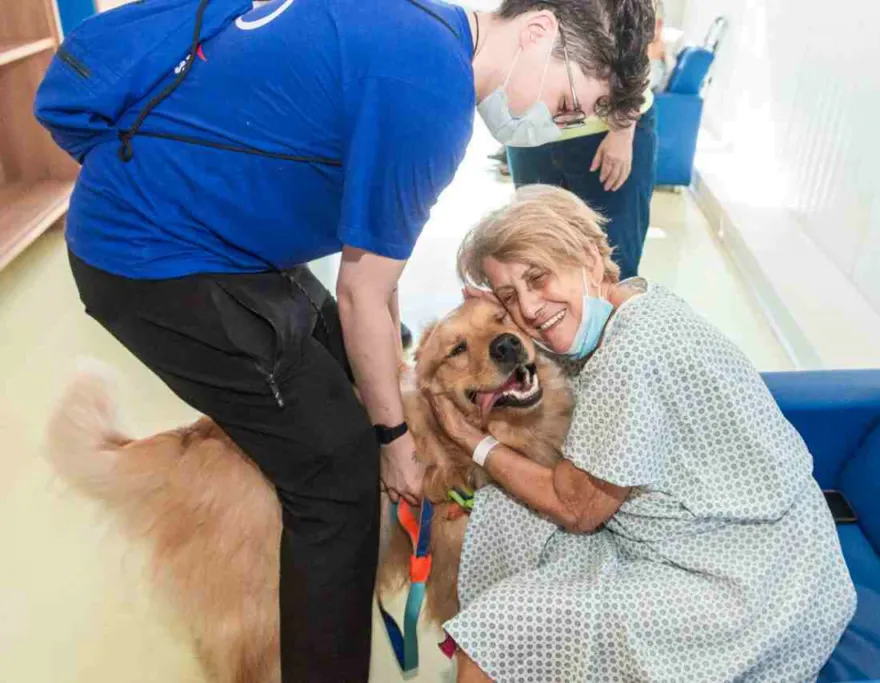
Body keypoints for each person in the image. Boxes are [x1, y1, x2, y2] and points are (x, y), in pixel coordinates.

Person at [51, 0, 655, 680]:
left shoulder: (425, 29)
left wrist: (392, 390)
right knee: (339, 472)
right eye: (568, 104)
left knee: (355, 388)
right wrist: (394, 443)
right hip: (153, 254)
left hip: (204, 233)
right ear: (537, 32)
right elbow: (361, 294)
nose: (555, 124)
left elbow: (375, 270)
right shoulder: (430, 96)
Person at [429, 184, 857, 682]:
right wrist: (500, 314)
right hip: (739, 540)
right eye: (510, 298)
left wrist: (475, 443)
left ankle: (497, 650)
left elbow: (576, 508)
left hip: (752, 586)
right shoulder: (630, 301)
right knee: (500, 515)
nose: (528, 308)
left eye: (538, 277)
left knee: (499, 633)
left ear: (590, 258)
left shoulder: (630, 355)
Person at [502, 0, 659, 279]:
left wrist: (622, 129)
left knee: (613, 261)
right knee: (538, 253)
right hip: (532, 129)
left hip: (605, 131)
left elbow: (636, 36)